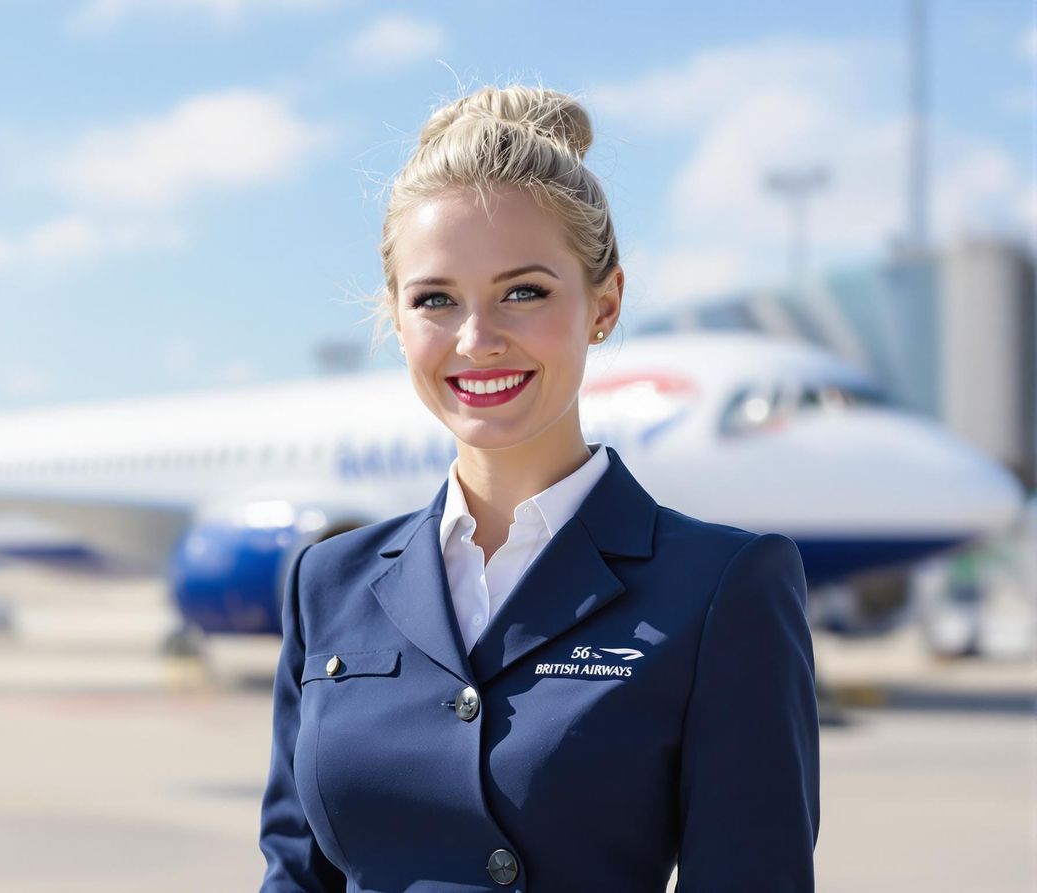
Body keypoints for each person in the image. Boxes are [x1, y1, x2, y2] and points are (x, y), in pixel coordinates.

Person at [258, 84, 819, 892]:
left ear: (605, 302)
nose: (478, 340)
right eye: (436, 300)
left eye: (524, 291)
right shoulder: (328, 584)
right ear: (396, 316)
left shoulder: (724, 589)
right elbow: (292, 873)